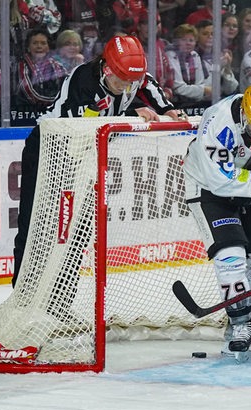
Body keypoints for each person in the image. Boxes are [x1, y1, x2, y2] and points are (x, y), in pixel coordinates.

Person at [12, 35, 187, 287]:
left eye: (132, 82)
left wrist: (169, 108)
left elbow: (147, 84)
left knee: (80, 230)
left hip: (86, 158)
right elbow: (83, 121)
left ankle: (61, 297)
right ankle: (23, 291)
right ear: (106, 69)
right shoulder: (84, 80)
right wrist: (131, 112)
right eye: (122, 82)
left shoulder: (130, 77)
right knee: (37, 225)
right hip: (50, 152)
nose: (129, 88)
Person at [181, 82, 251, 357]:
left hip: (244, 185)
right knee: (231, 256)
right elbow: (221, 181)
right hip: (208, 188)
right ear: (245, 114)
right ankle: (240, 323)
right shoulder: (218, 124)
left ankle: (245, 316)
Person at [14, 28, 67, 107]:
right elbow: (31, 95)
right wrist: (57, 101)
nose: (39, 46)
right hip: (28, 112)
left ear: (48, 47)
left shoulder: (58, 66)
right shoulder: (22, 66)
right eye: (35, 43)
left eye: (43, 43)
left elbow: (66, 89)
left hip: (54, 111)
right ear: (28, 47)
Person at [166, 23, 212, 103]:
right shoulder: (170, 55)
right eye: (184, 40)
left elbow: (200, 83)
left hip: (193, 102)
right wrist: (203, 90)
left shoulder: (195, 55)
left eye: (191, 40)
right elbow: (178, 88)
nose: (188, 43)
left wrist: (202, 90)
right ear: (176, 41)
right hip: (174, 102)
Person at [195, 19, 239, 96]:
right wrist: (219, 67)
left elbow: (231, 88)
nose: (210, 36)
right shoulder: (193, 57)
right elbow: (204, 89)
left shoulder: (219, 55)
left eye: (213, 34)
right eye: (205, 34)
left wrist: (227, 68)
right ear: (197, 36)